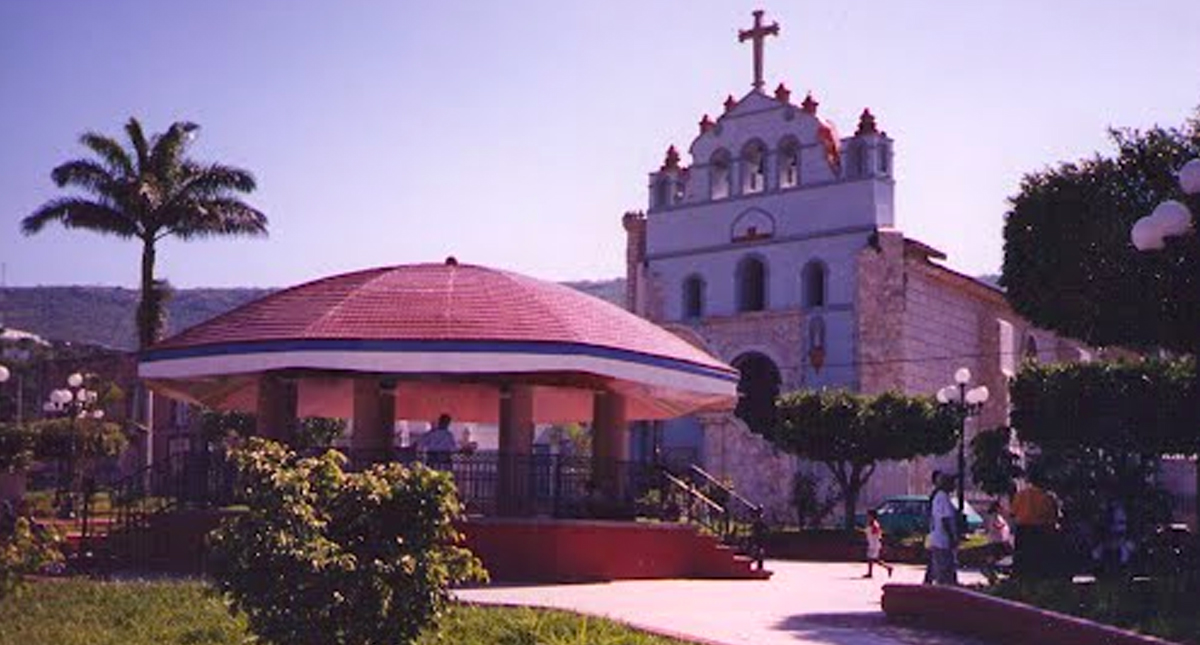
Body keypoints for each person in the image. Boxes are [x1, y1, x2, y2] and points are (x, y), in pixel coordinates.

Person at [1011, 472, 1059, 578]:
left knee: (1022, 557)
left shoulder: (1021, 494)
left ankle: (1020, 577)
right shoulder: (1047, 496)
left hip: (1023, 529)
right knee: (1039, 558)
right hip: (1041, 530)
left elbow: (1013, 512)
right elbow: (1053, 516)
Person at [926, 471, 959, 585]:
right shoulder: (942, 497)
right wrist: (952, 538)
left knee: (945, 571)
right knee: (944, 572)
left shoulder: (941, 497)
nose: (955, 486)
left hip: (939, 539)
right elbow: (945, 520)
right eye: (953, 483)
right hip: (942, 541)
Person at [982, 501, 1013, 583]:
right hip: (996, 540)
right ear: (996, 508)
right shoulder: (994, 516)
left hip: (999, 540)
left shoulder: (997, 516)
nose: (1002, 509)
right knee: (994, 558)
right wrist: (1002, 525)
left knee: (997, 557)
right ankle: (990, 572)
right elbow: (994, 526)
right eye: (1000, 507)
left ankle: (992, 573)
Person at [862, 509, 894, 578]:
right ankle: (887, 568)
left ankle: (871, 573)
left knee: (872, 559)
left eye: (869, 515)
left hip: (874, 544)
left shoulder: (874, 524)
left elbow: (877, 533)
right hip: (872, 543)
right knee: (873, 559)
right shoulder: (870, 523)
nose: (867, 517)